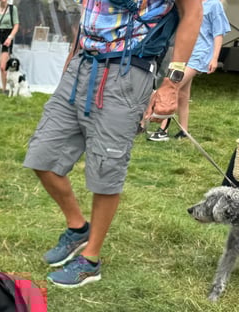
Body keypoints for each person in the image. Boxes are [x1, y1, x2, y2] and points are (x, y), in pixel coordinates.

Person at [22, 0, 202, 288]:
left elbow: (192, 11)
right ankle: (78, 226)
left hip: (127, 71)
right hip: (82, 65)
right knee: (42, 156)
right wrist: (72, 58)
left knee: (107, 170)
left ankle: (90, 260)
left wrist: (172, 83)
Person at [148, 0, 230, 141]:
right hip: (186, 53)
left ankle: (163, 130)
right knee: (183, 95)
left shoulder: (214, 4)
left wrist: (215, 58)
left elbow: (218, 33)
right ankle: (184, 131)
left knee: (173, 86)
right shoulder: (188, 3)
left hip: (200, 54)